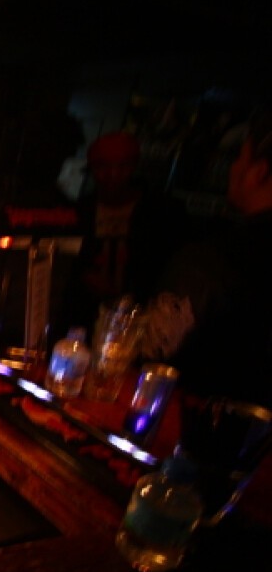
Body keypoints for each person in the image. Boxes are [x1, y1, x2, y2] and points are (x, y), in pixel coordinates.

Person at [139, 105, 272, 408]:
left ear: (259, 172)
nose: (233, 168)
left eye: (239, 157)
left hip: (197, 426)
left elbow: (153, 354)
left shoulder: (212, 261)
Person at [61, 131, 191, 331]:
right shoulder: (77, 213)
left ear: (134, 166)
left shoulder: (162, 213)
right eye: (103, 166)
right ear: (92, 168)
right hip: (83, 317)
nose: (113, 174)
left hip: (142, 319)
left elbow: (172, 269)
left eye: (122, 166)